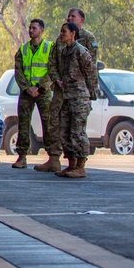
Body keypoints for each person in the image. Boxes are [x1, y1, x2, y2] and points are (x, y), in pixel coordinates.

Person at [52, 22, 96, 178]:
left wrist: (91, 94)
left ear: (73, 34)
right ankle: (71, 164)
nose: (61, 34)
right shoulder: (64, 52)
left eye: (64, 31)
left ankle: (80, 166)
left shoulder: (80, 51)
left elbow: (91, 73)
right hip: (67, 97)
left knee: (78, 132)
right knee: (65, 131)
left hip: (79, 98)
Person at [12, 19, 55, 169]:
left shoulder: (49, 48)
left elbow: (52, 70)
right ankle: (22, 156)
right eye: (30, 28)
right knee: (23, 124)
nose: (31, 30)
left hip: (43, 92)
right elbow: (18, 71)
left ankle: (52, 157)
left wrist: (39, 87)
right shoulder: (23, 49)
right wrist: (27, 88)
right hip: (26, 93)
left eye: (34, 28)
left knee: (48, 123)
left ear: (41, 30)